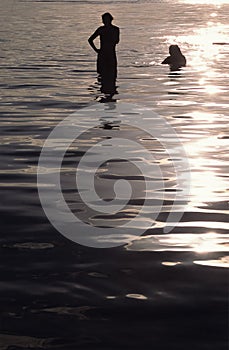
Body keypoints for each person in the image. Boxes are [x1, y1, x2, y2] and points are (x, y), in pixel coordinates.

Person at [88, 12, 120, 98]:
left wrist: (97, 50)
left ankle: (105, 90)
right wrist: (96, 50)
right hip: (105, 54)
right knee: (104, 74)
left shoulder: (112, 29)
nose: (104, 21)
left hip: (108, 55)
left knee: (109, 74)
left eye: (105, 20)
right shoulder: (112, 29)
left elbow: (116, 41)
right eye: (104, 20)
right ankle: (106, 90)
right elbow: (90, 40)